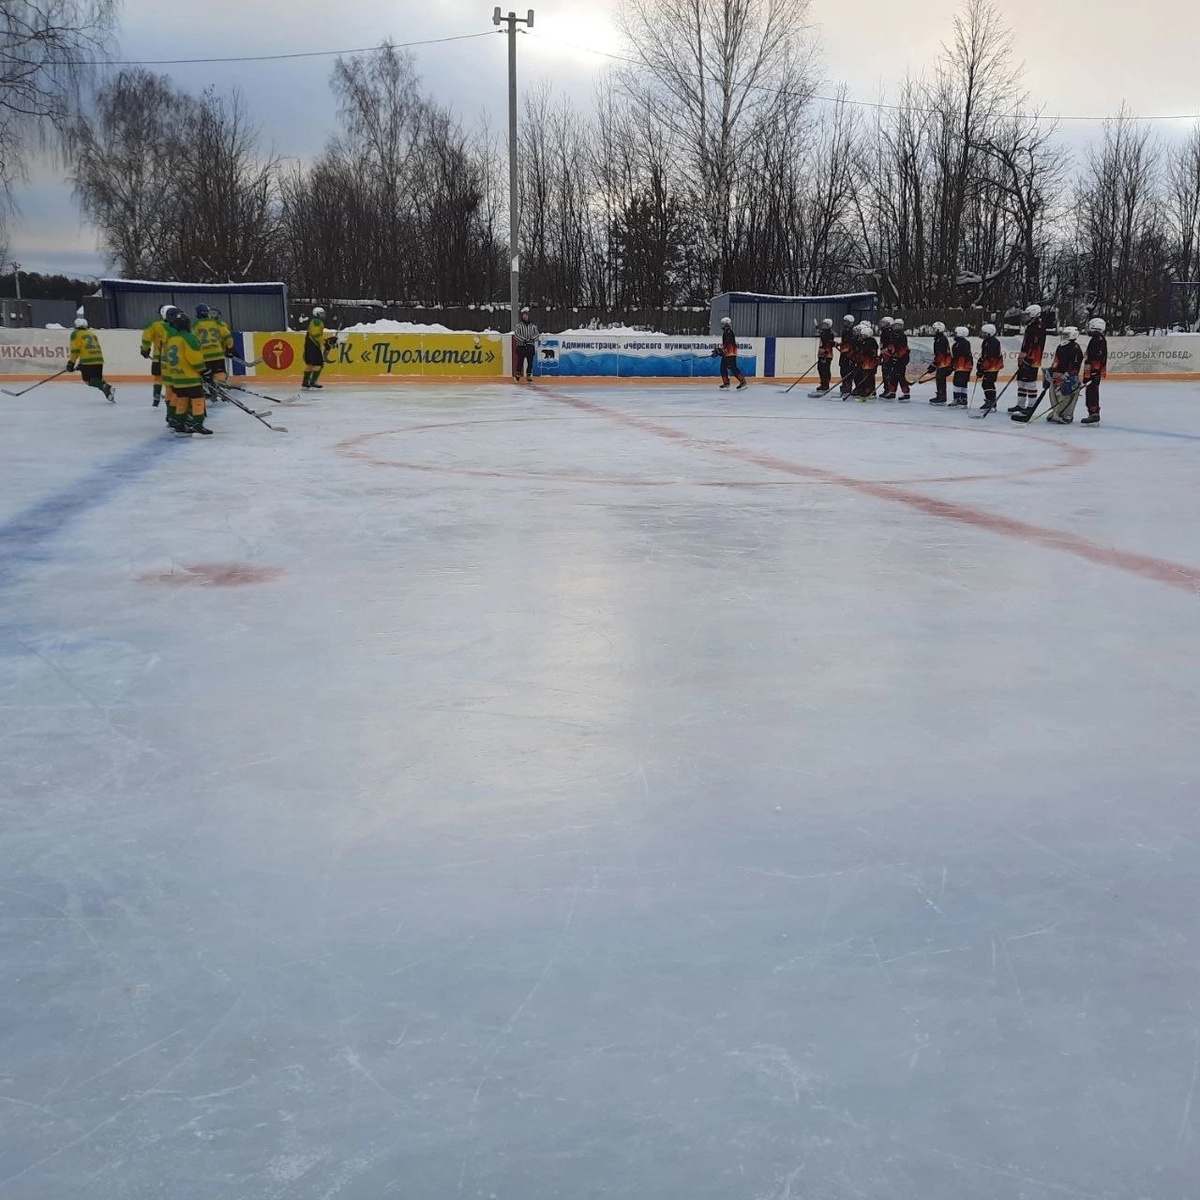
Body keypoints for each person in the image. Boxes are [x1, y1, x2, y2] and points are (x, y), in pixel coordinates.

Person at [162, 308, 213, 435]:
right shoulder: (189, 338)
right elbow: (194, 358)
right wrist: (204, 371)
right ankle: (198, 425)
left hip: (177, 378)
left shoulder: (172, 339)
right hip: (190, 378)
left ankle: (179, 425)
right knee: (198, 400)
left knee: (182, 400)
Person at [1009, 302, 1048, 416]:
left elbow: (1035, 346)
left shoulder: (1038, 327)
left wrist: (1028, 358)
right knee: (1021, 382)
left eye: (1027, 314)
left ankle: (1031, 406)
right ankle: (1020, 404)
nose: (1025, 317)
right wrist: (1022, 357)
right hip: (1025, 357)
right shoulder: (1031, 326)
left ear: (1034, 314)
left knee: (1030, 383)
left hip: (1032, 359)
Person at [67, 317, 115, 402]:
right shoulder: (91, 333)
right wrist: (80, 365)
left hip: (87, 360)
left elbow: (75, 350)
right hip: (99, 359)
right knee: (98, 380)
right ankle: (108, 393)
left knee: (88, 381)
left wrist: (71, 363)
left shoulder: (75, 334)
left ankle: (107, 387)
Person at [1045, 328, 1084, 424]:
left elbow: (1075, 363)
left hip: (1068, 375)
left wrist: (1070, 374)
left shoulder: (1075, 348)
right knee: (1054, 393)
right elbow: (1056, 360)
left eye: (1066, 335)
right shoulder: (1060, 346)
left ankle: (1067, 414)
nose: (1064, 336)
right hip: (1058, 374)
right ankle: (1056, 412)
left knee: (1067, 394)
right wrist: (1051, 370)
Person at [140, 304, 173, 407]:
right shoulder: (176, 324)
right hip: (173, 357)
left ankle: (156, 397)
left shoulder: (154, 325)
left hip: (158, 356)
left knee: (158, 378)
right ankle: (171, 399)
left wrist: (145, 350)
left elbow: (146, 339)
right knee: (170, 379)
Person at [194, 304, 233, 386]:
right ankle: (221, 387)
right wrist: (229, 347)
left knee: (207, 377)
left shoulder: (195, 325)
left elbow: (193, 340)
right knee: (220, 373)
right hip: (218, 354)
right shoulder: (217, 322)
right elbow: (227, 336)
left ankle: (211, 389)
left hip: (204, 356)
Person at [1081, 318, 1107, 425]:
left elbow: (1098, 357)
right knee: (1090, 391)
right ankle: (1092, 412)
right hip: (1091, 371)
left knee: (1092, 391)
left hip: (1093, 371)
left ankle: (1094, 413)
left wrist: (1095, 371)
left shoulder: (1098, 340)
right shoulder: (1096, 339)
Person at [975, 323, 1004, 413]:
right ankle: (991, 401)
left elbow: (989, 358)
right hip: (990, 366)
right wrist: (980, 364)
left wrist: (981, 369)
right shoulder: (987, 341)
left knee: (987, 383)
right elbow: (984, 356)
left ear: (989, 333)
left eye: (983, 332)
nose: (981, 334)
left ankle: (991, 402)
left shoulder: (993, 342)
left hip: (992, 366)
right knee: (987, 383)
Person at [302, 306, 329, 390]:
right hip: (313, 345)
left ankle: (305, 381)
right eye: (321, 313)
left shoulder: (313, 321)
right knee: (318, 364)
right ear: (317, 314)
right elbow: (316, 335)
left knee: (310, 364)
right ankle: (313, 381)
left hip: (308, 344)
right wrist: (325, 343)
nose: (323, 315)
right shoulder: (317, 322)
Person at [718, 316, 747, 390]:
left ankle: (742, 381)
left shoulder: (728, 332)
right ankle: (726, 383)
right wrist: (721, 350)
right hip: (727, 353)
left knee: (732, 367)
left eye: (723, 323)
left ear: (726, 324)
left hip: (730, 353)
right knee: (723, 367)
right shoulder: (726, 332)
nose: (722, 325)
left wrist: (722, 350)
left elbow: (728, 343)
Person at [853, 322, 879, 398]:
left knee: (868, 378)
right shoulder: (862, 341)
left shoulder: (871, 341)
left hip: (870, 363)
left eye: (863, 335)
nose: (861, 336)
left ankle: (870, 391)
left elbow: (870, 352)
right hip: (864, 363)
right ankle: (864, 390)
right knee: (863, 376)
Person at [949, 326, 973, 407]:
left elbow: (961, 356)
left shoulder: (962, 343)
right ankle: (963, 399)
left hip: (962, 366)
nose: (954, 335)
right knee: (962, 382)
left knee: (958, 382)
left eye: (956, 333)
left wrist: (954, 364)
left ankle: (958, 399)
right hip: (962, 366)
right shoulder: (958, 343)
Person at [929, 321, 952, 404]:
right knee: (939, 379)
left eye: (934, 329)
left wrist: (934, 364)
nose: (932, 330)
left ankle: (942, 397)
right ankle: (941, 395)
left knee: (940, 379)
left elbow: (941, 354)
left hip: (944, 363)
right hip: (942, 363)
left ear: (938, 329)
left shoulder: (941, 340)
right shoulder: (939, 339)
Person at [514, 307, 538, 382]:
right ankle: (518, 373)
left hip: (530, 346)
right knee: (520, 361)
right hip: (521, 346)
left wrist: (531, 339)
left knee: (530, 362)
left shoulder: (533, 326)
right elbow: (516, 335)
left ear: (529, 316)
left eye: (526, 315)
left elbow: (537, 335)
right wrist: (524, 339)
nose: (525, 317)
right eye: (524, 315)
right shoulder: (518, 325)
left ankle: (528, 374)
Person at [890, 322, 912, 401]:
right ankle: (892, 392)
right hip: (897, 359)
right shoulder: (895, 335)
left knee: (900, 376)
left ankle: (906, 393)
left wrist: (897, 357)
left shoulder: (902, 336)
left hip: (902, 359)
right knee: (893, 375)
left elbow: (902, 349)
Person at [838, 314, 857, 396]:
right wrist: (840, 345)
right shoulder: (845, 330)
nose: (844, 322)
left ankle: (848, 386)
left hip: (849, 355)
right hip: (844, 354)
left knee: (847, 370)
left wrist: (848, 351)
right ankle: (844, 384)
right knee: (842, 369)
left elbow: (851, 344)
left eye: (846, 321)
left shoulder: (852, 331)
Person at [814, 318, 835, 394]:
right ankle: (823, 383)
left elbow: (828, 344)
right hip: (821, 353)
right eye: (823, 324)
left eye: (825, 324)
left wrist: (825, 354)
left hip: (826, 354)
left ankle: (826, 384)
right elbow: (819, 333)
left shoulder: (829, 333)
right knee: (820, 368)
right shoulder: (824, 332)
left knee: (825, 369)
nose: (823, 325)